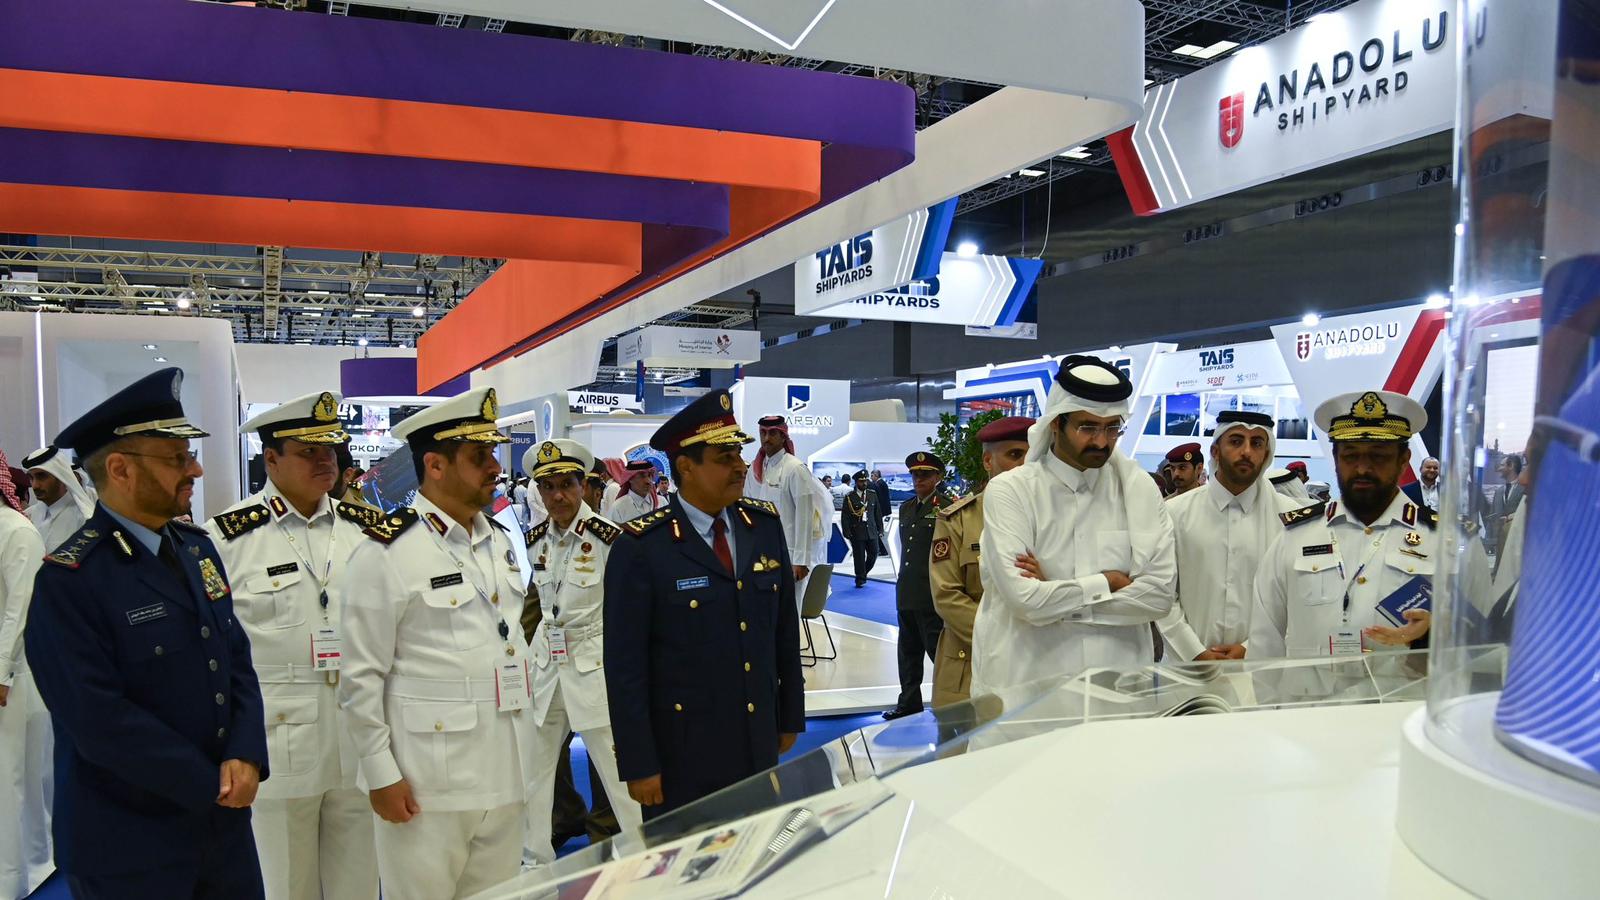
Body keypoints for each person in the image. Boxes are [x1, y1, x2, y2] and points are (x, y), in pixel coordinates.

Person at [25, 367, 270, 900]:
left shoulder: (197, 549)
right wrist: (211, 781)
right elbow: (97, 719)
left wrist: (248, 751)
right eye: (177, 458)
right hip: (127, 842)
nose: (196, 469)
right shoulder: (70, 580)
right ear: (121, 469)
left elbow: (235, 659)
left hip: (222, 832)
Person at [337, 387, 533, 900]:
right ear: (436, 465)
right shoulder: (385, 552)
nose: (495, 467)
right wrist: (380, 773)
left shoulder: (498, 540)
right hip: (426, 782)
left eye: (492, 453)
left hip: (504, 769)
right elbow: (359, 677)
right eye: (479, 456)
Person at [205, 392, 378, 900]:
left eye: (330, 449)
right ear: (271, 459)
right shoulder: (227, 538)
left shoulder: (366, 531)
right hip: (276, 744)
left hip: (358, 739)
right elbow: (213, 652)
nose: (326, 461)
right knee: (284, 885)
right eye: (308, 451)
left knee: (359, 886)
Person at [603, 389, 803, 817]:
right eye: (724, 458)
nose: (740, 466)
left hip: (756, 734)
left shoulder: (763, 527)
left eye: (739, 454)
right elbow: (625, 667)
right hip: (682, 751)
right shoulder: (641, 547)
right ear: (685, 467)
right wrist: (639, 761)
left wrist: (790, 715)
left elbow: (784, 630)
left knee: (757, 844)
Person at [971, 356, 1176, 695]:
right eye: (1088, 427)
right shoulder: (1012, 490)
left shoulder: (1138, 490)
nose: (1101, 442)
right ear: (1056, 422)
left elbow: (1158, 598)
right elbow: (1025, 600)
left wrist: (1056, 594)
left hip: (1118, 692)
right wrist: (1107, 582)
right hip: (1028, 689)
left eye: (1112, 428)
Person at [520, 439, 642, 865]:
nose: (558, 496)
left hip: (594, 665)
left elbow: (629, 613)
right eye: (548, 487)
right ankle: (534, 862)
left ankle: (640, 858)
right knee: (532, 772)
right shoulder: (536, 540)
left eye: (566, 485)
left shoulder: (610, 539)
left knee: (620, 775)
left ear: (584, 486)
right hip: (545, 668)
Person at [1250, 391, 1437, 658]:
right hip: (1310, 687)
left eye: (1378, 456)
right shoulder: (1295, 536)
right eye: (1350, 456)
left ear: (1403, 460)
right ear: (1336, 458)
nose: (1362, 469)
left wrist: (1434, 632)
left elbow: (1476, 642)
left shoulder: (1443, 540)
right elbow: (1264, 639)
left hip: (1402, 685)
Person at [1159, 411, 1301, 663]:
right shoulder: (1174, 513)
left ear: (1266, 454)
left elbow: (1297, 597)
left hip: (1262, 668)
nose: (1246, 451)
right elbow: (1162, 593)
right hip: (1187, 669)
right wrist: (1194, 652)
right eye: (1236, 441)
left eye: (1257, 443)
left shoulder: (1290, 518)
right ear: (1215, 451)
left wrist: (1251, 648)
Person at [928, 416, 1031, 708]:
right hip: (970, 663)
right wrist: (1008, 640)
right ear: (988, 461)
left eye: (1033, 454)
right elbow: (947, 596)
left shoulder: (1055, 519)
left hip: (1039, 667)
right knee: (968, 737)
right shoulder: (960, 520)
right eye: (1015, 455)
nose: (1025, 464)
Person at [0, 452, 52, 900]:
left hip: (14, 680)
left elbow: (20, 609)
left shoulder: (17, 531)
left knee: (12, 782)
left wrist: (2, 672)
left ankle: (16, 878)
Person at [882, 450, 957, 721]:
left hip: (932, 593)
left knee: (939, 653)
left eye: (925, 475)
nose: (918, 480)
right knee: (908, 652)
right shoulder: (906, 508)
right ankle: (909, 701)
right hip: (907, 590)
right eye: (914, 475)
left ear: (938, 477)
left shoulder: (947, 508)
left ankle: (951, 704)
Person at [744, 416, 827, 610]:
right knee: (763, 611)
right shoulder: (754, 470)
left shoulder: (795, 469)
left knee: (789, 612)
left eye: (772, 433)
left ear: (783, 436)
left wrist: (801, 561)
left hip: (788, 557)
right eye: (763, 433)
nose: (767, 438)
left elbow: (805, 517)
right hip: (759, 554)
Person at [20, 445, 95, 552]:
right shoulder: (29, 515)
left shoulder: (84, 518)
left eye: (41, 476)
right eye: (31, 478)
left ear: (60, 476)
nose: (35, 485)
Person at [840, 471, 882, 588]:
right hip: (857, 531)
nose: (864, 483)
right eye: (861, 481)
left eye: (865, 481)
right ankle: (860, 579)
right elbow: (845, 516)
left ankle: (862, 573)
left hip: (871, 530)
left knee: (874, 554)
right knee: (859, 557)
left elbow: (877, 513)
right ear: (856, 482)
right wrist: (846, 531)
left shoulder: (872, 494)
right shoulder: (850, 497)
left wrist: (880, 529)